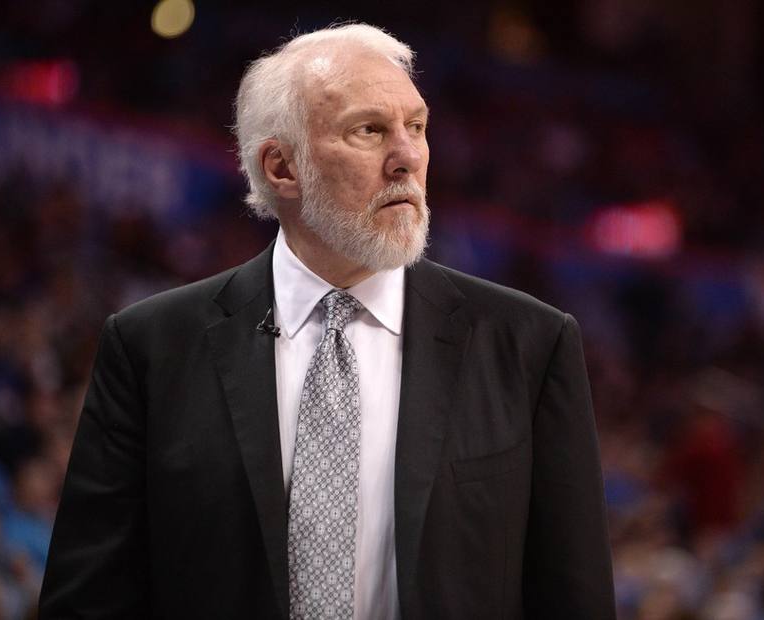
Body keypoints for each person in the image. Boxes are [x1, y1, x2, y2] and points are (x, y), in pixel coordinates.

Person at [39, 23, 615, 619]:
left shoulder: (531, 345)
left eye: (416, 127)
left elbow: (576, 600)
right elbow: (88, 604)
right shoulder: (150, 348)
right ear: (282, 167)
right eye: (369, 130)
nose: (408, 158)